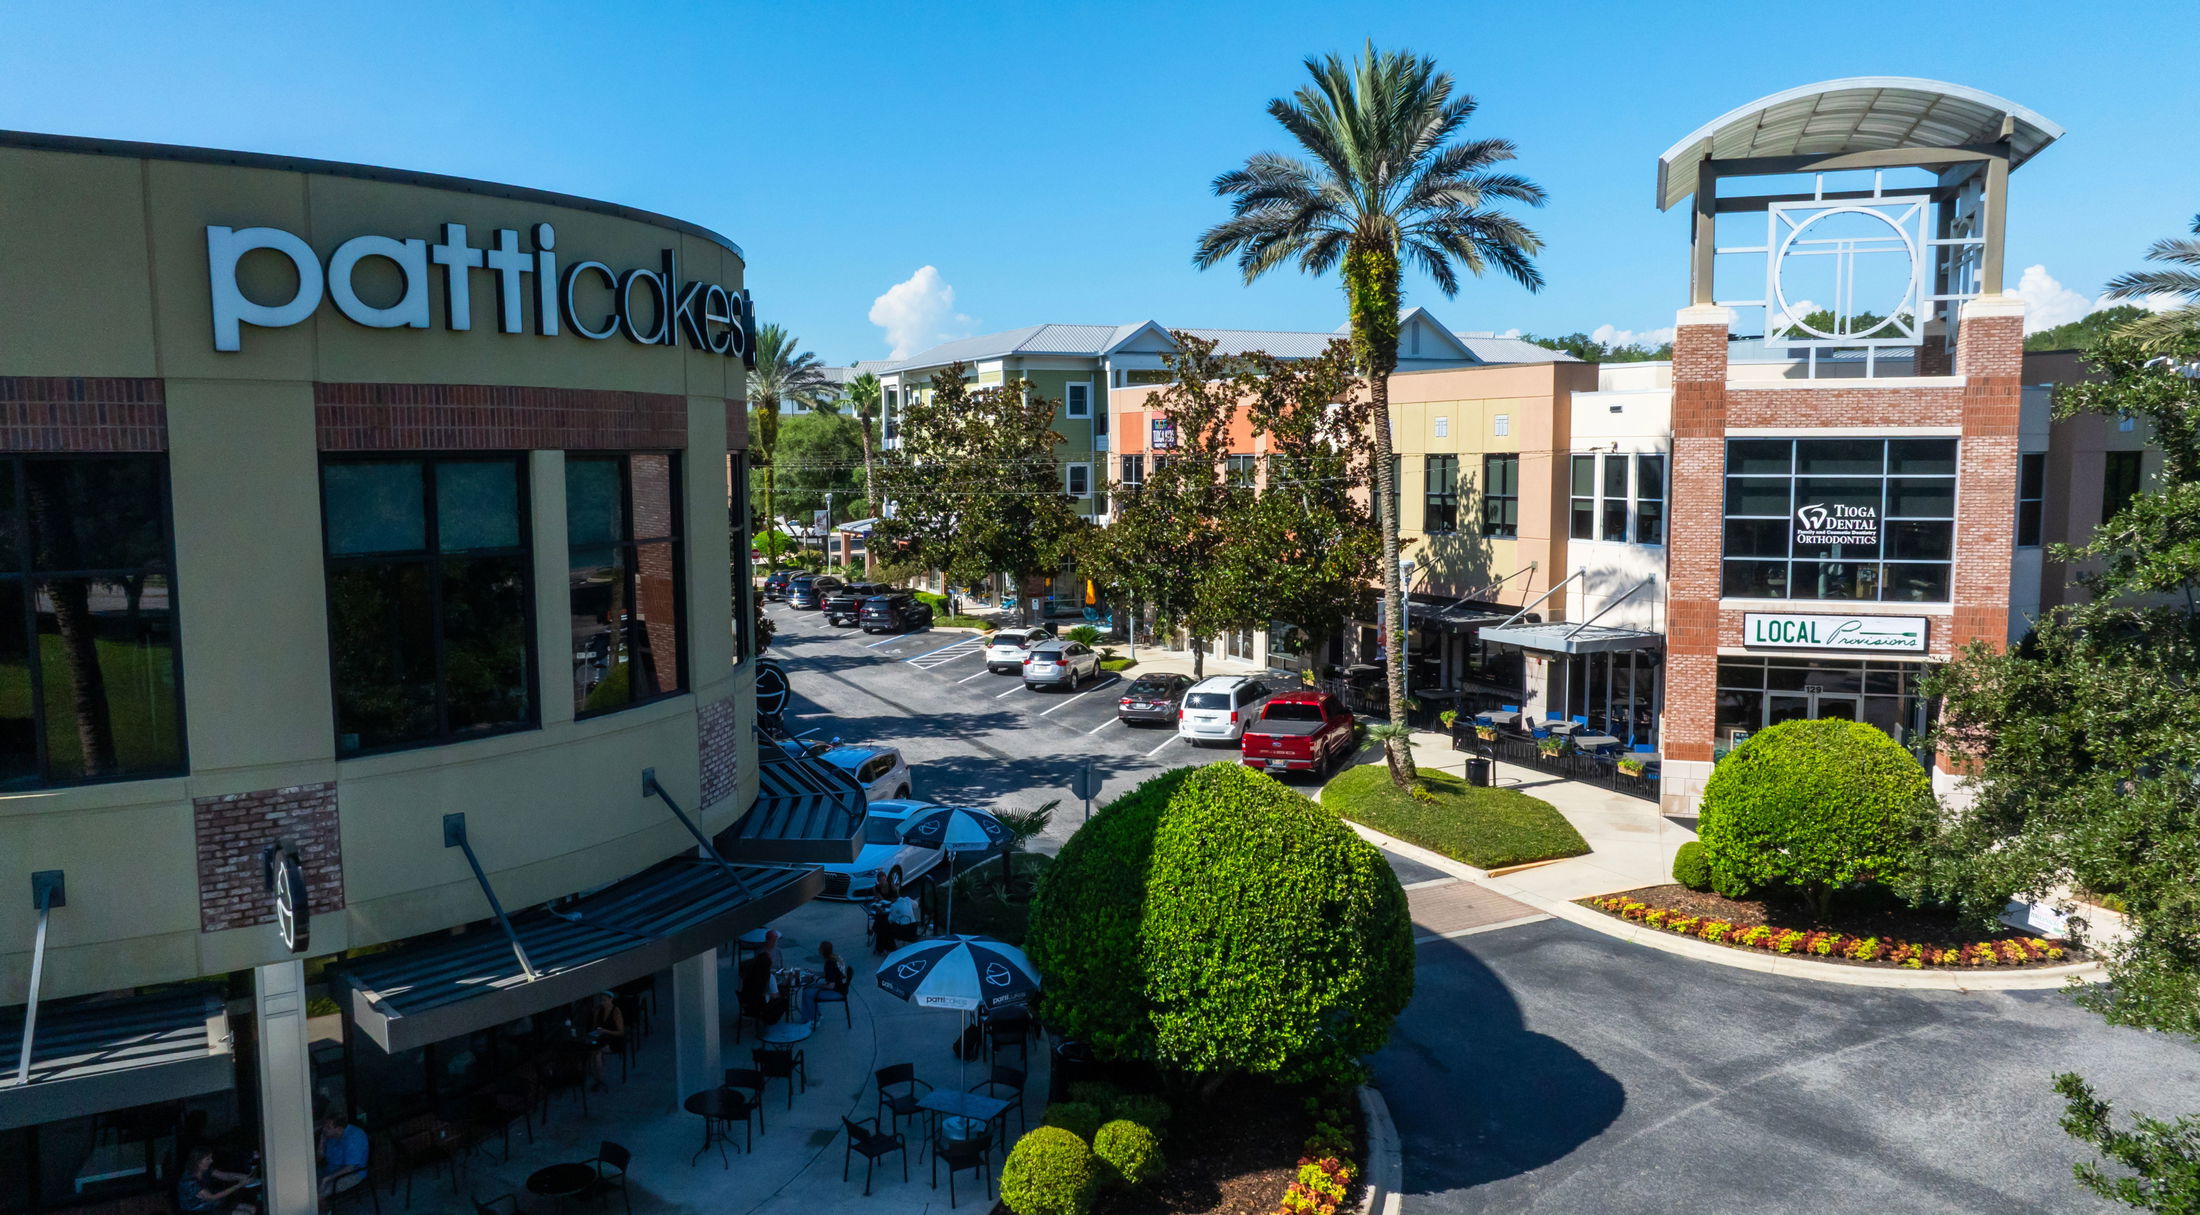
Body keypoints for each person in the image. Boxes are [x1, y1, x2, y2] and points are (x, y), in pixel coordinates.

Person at [177, 1148, 254, 1215]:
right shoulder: (189, 1182)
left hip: (211, 1205)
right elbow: (212, 1197)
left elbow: (225, 1176)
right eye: (208, 1159)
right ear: (198, 1161)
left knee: (251, 1208)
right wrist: (239, 1185)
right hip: (198, 1211)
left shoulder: (205, 1170)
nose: (211, 1161)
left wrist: (243, 1176)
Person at [316, 1113, 369, 1202]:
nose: (324, 1130)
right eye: (324, 1126)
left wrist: (327, 1179)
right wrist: (321, 1143)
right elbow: (318, 1160)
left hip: (353, 1173)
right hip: (331, 1169)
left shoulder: (353, 1138)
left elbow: (350, 1168)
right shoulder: (330, 1135)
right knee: (305, 1185)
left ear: (339, 1129)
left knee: (317, 1195)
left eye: (328, 1127)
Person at [582, 992, 625, 1092]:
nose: (603, 1002)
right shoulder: (599, 1010)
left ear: (611, 999)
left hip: (614, 1040)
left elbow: (621, 1032)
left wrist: (606, 1031)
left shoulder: (616, 1012)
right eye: (601, 1000)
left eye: (605, 1000)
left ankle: (600, 1079)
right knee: (591, 1052)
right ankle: (596, 1076)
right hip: (602, 1038)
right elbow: (594, 1027)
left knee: (597, 1053)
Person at [801, 939, 852, 1022]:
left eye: (819, 949)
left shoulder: (829, 964)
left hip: (837, 991)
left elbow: (830, 986)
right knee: (808, 989)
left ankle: (811, 1020)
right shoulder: (836, 958)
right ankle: (815, 1015)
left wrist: (816, 985)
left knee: (807, 993)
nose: (818, 950)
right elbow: (830, 974)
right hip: (841, 988)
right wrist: (814, 972)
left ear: (822, 952)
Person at [737, 947, 787, 1026]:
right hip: (761, 1008)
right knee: (784, 999)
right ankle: (771, 1020)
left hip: (747, 1006)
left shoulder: (748, 974)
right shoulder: (769, 977)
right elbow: (775, 996)